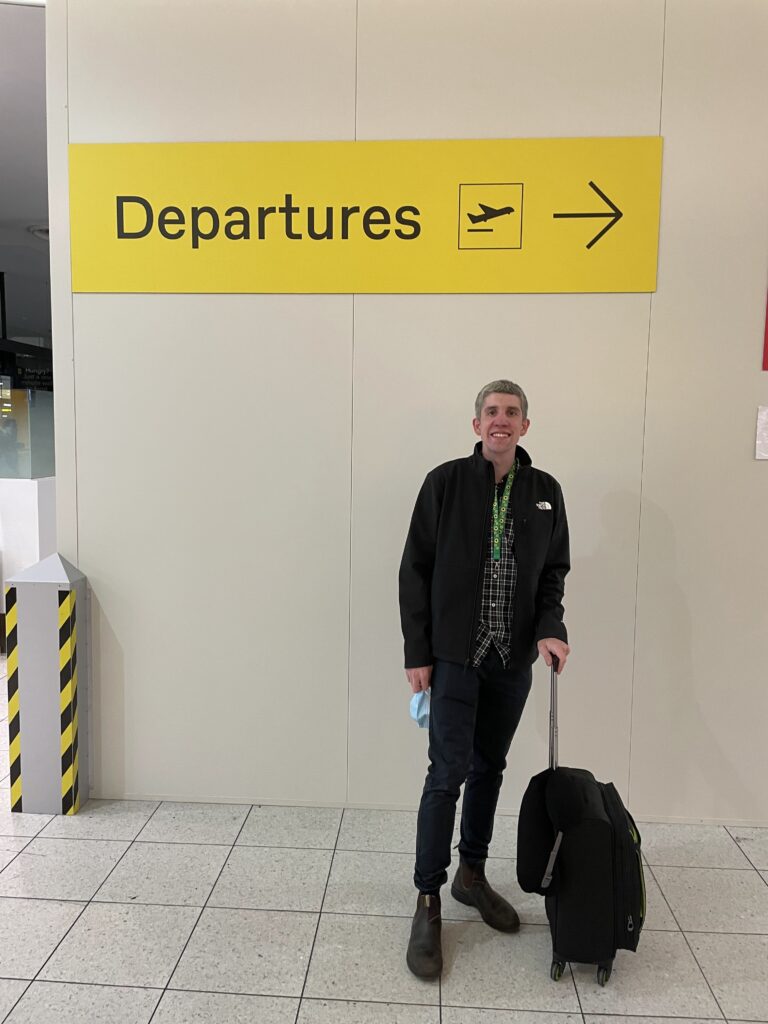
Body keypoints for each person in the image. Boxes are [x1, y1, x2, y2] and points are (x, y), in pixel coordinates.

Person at [399, 379, 570, 978]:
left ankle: (471, 873)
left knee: (489, 767)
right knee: (445, 774)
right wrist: (417, 652)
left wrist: (551, 627)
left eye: (512, 413)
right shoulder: (444, 483)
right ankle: (427, 897)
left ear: (526, 426)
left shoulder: (546, 492)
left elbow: (553, 574)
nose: (501, 420)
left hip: (511, 661)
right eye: (492, 412)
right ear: (477, 425)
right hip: (452, 658)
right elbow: (415, 568)